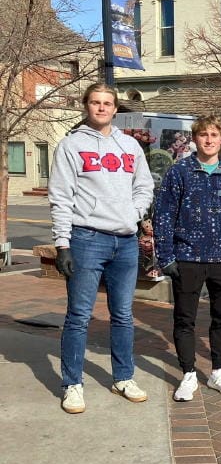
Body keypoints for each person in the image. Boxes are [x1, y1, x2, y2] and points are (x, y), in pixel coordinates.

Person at [48, 82, 154, 414]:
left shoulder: (130, 146)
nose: (102, 108)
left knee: (123, 315)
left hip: (125, 242)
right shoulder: (70, 145)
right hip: (87, 240)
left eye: (108, 103)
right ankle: (72, 384)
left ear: (115, 108)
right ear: (86, 105)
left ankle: (123, 377)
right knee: (79, 316)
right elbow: (61, 198)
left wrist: (133, 213)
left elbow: (144, 186)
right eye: (95, 102)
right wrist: (63, 244)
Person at [153, 115, 221, 401]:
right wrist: (166, 256)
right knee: (184, 319)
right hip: (187, 258)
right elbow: (163, 216)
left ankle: (218, 372)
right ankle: (187, 374)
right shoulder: (179, 172)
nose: (208, 140)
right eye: (203, 135)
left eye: (214, 135)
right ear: (194, 139)